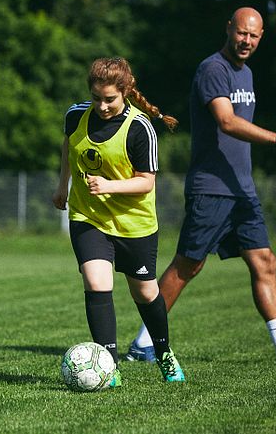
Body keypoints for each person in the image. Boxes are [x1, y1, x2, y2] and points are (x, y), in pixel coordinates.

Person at [124, 7, 276, 366]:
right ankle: (143, 344)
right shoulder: (213, 70)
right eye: (241, 33)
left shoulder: (247, 73)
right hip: (211, 188)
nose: (246, 41)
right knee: (188, 266)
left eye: (253, 36)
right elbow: (226, 121)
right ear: (228, 29)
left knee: (265, 262)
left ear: (261, 36)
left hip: (242, 190)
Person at [52, 57, 185, 385]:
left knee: (144, 292)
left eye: (109, 99)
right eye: (96, 98)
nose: (102, 106)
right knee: (96, 283)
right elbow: (69, 144)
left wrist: (109, 186)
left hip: (133, 223)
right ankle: (109, 365)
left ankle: (164, 353)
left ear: (125, 92)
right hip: (88, 216)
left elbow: (146, 182)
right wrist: (62, 185)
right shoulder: (75, 115)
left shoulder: (140, 128)